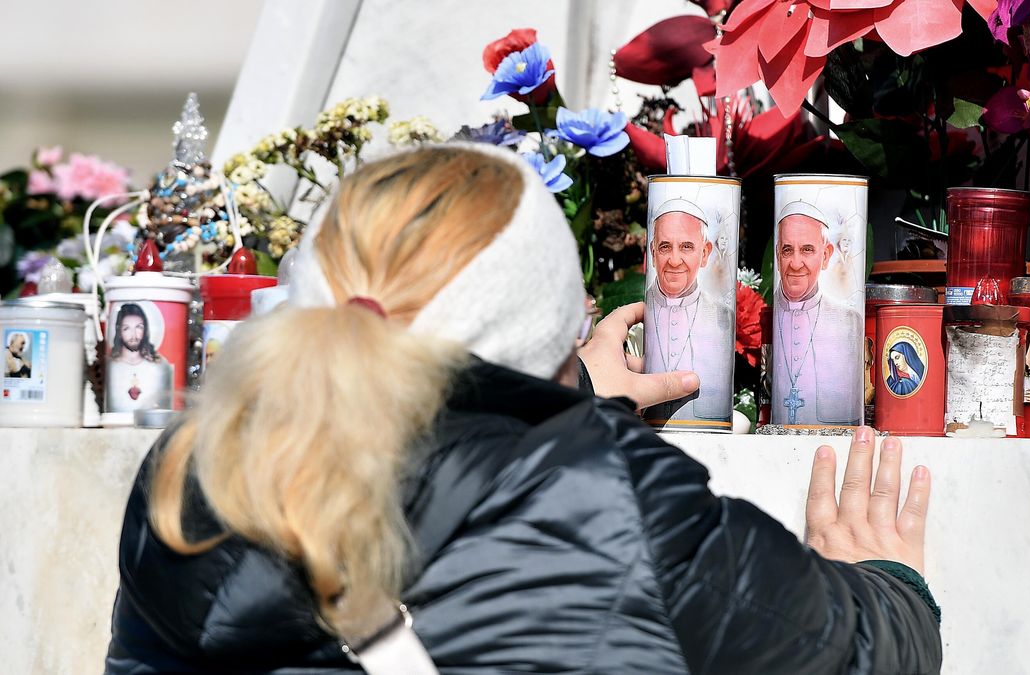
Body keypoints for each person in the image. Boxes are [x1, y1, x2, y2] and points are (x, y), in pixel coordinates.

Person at [106, 144, 941, 673]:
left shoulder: (189, 473)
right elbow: (855, 654)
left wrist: (566, 398)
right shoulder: (618, 501)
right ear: (550, 327)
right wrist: (891, 584)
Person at [642, 198, 734, 426]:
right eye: (665, 247)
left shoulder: (723, 316)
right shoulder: (639, 312)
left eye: (686, 247)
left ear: (704, 253)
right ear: (653, 251)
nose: (674, 260)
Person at [773, 201, 863, 425]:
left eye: (807, 250)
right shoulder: (766, 316)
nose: (795, 264)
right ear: (777, 255)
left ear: (825, 255)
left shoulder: (847, 322)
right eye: (787, 250)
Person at [105, 302, 173, 412]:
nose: (134, 335)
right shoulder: (109, 365)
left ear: (145, 330)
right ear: (119, 331)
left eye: (139, 327)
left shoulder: (159, 367)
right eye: (126, 328)